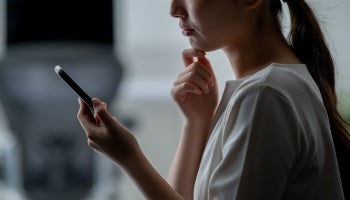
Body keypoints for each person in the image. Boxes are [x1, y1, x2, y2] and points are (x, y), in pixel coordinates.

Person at [77, 0, 349, 199]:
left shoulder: (265, 96)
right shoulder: (274, 86)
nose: (174, 9)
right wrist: (196, 123)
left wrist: (129, 158)